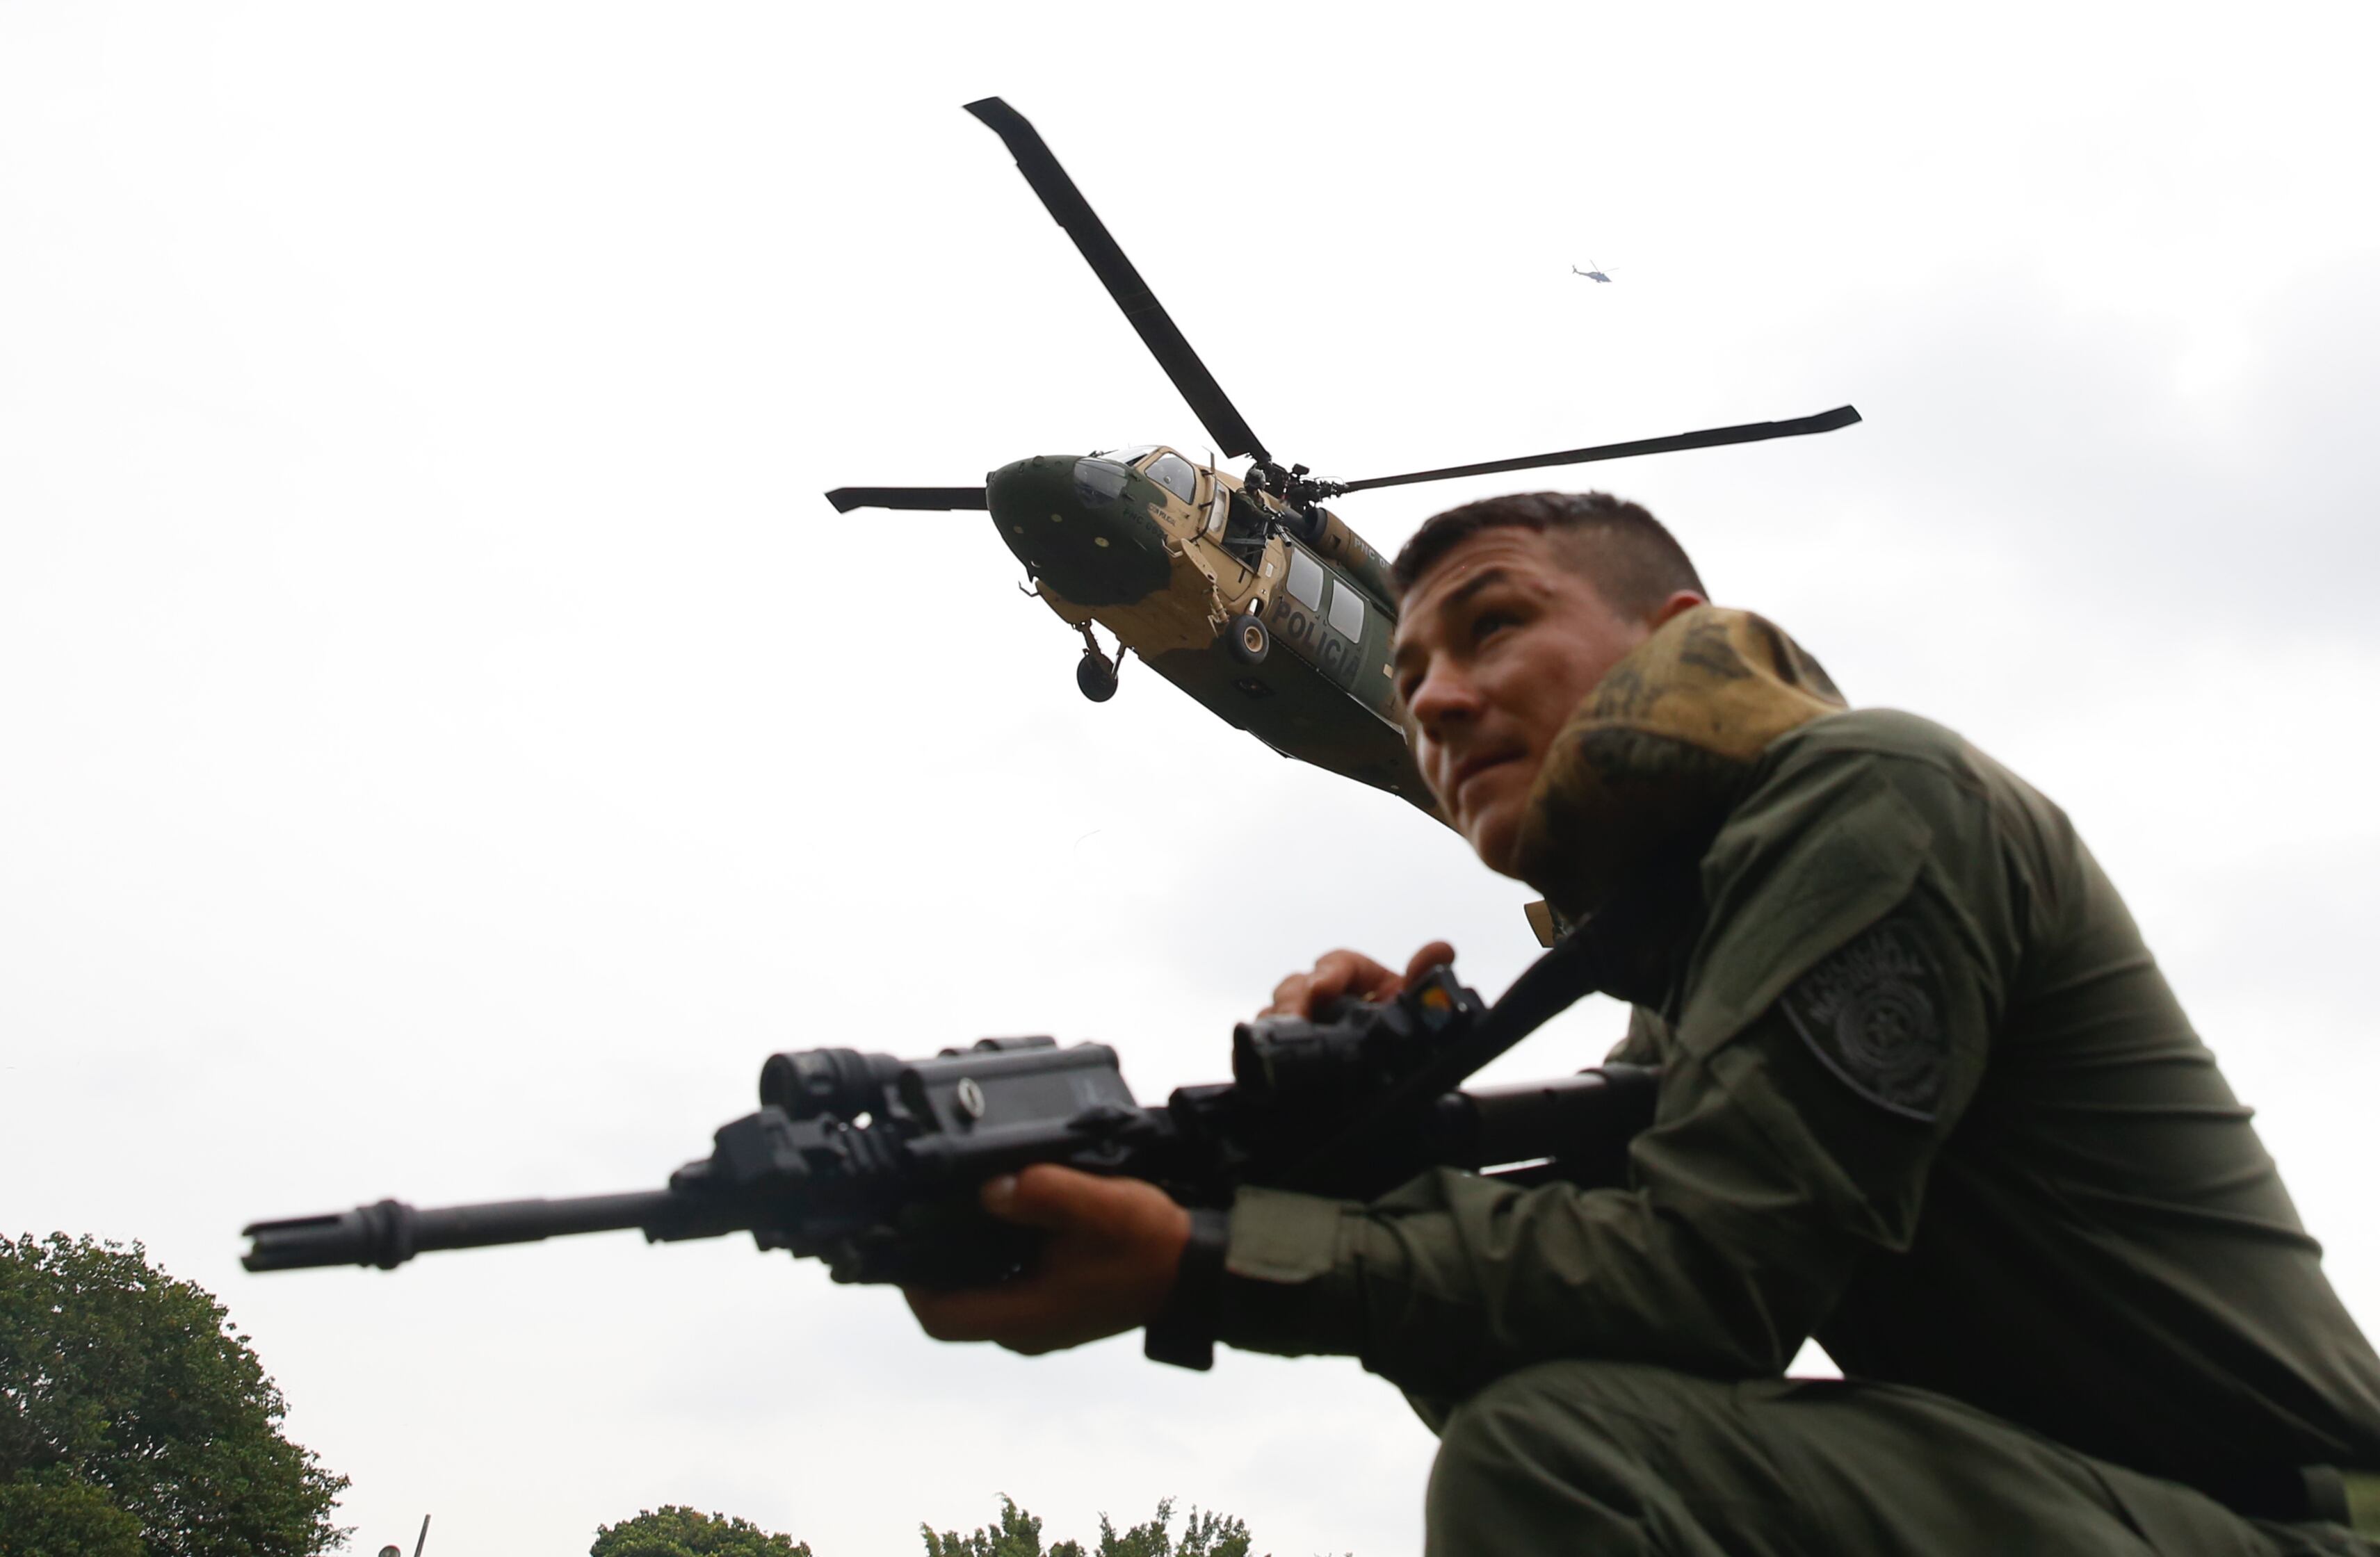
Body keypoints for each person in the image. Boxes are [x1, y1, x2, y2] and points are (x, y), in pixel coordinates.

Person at [904, 491, 2380, 1554]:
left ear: (1675, 634)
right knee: (1550, 1433)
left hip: (2294, 1520)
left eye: (1493, 629)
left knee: (1557, 1457)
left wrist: (1208, 1264)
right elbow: (1570, 1346)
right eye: (1409, 678)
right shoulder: (1690, 956)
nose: (1439, 705)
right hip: (2116, 1504)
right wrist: (1346, 1153)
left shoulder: (1875, 792)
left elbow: (1694, 1284)